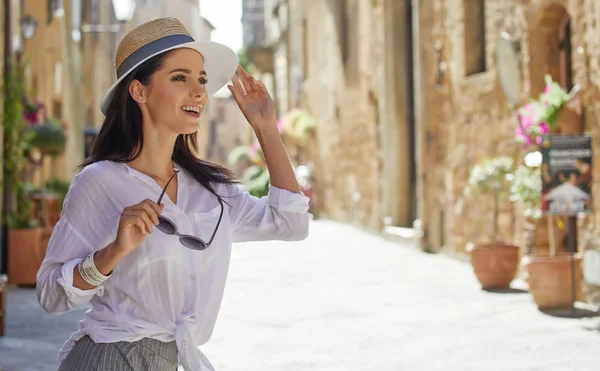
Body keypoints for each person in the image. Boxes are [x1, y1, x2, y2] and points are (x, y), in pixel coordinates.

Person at [36, 17, 309, 371]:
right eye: (180, 77)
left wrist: (265, 128)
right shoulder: (99, 182)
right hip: (108, 358)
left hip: (173, 362)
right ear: (139, 91)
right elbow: (49, 294)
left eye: (202, 80)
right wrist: (113, 252)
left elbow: (291, 223)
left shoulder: (211, 191)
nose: (198, 91)